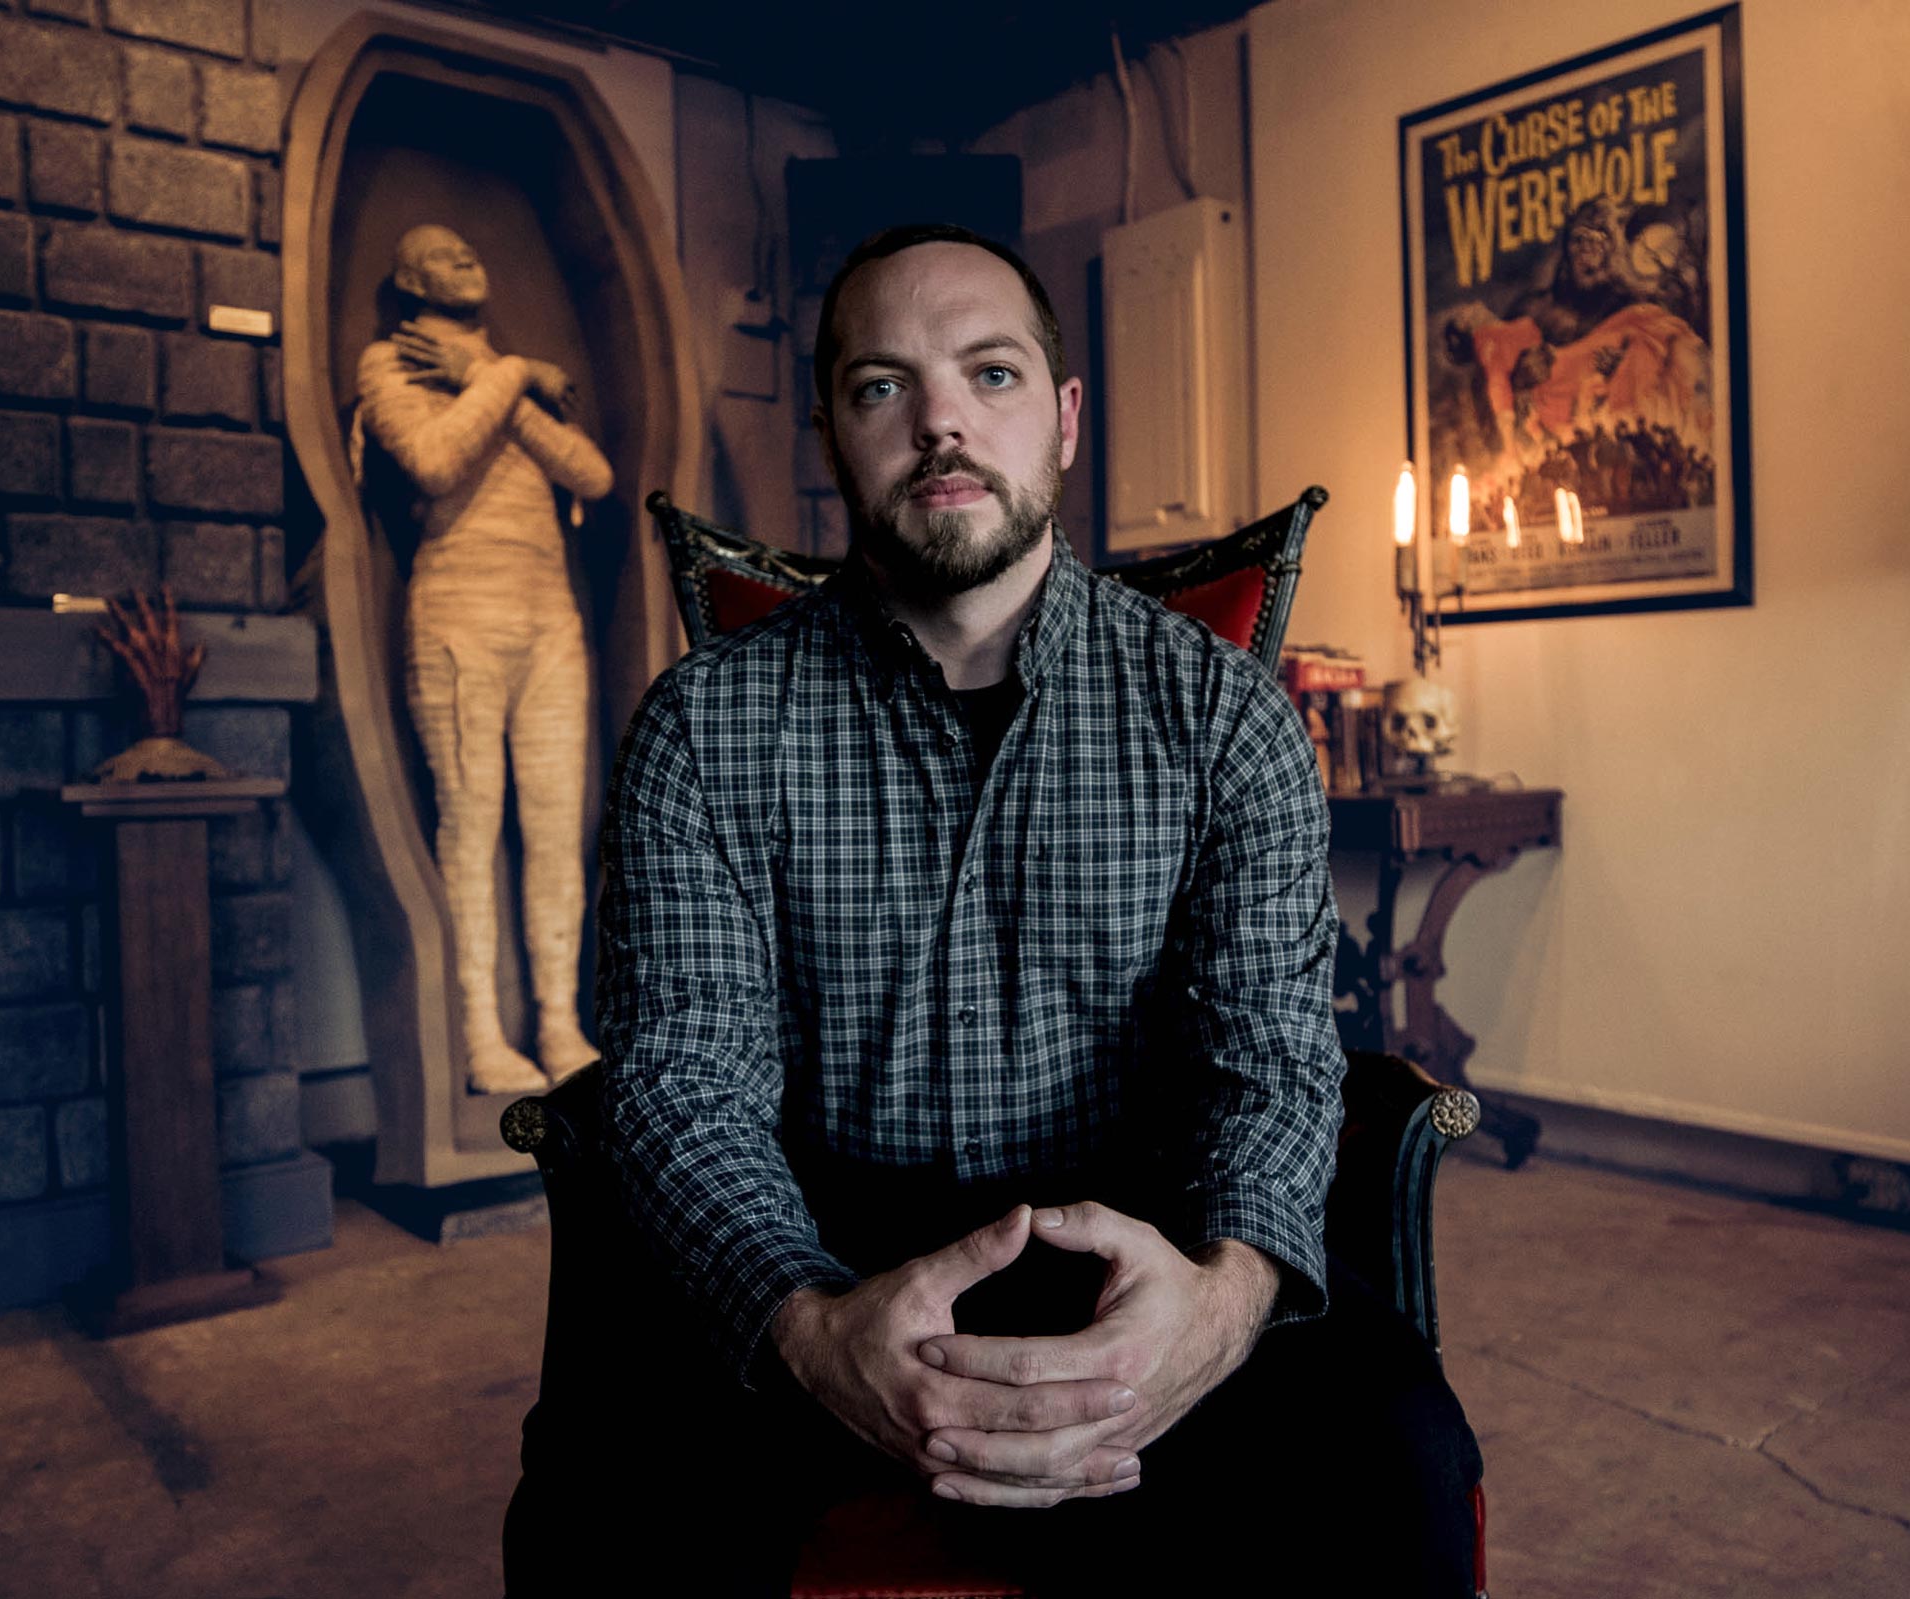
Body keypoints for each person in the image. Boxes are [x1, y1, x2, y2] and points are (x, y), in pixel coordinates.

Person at [507, 223, 1480, 1595]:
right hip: (814, 1221)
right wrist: (801, 1319)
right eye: (882, 385)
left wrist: (1219, 1303)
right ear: (832, 431)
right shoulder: (703, 728)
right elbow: (685, 1077)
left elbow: (1270, 1051)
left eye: (993, 373)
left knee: (1388, 1461)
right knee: (603, 1499)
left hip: (1143, 1225)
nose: (942, 421)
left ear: (1066, 417)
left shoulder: (1224, 715)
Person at [354, 224, 614, 1094]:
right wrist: (512, 376)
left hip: (547, 618)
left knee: (554, 832)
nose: (468, 255)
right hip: (459, 615)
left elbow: (593, 474)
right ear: (406, 277)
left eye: (473, 248)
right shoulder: (388, 365)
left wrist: (491, 377)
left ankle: (557, 1022)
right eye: (441, 249)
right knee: (472, 829)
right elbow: (434, 460)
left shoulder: (485, 371)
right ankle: (478, 1033)